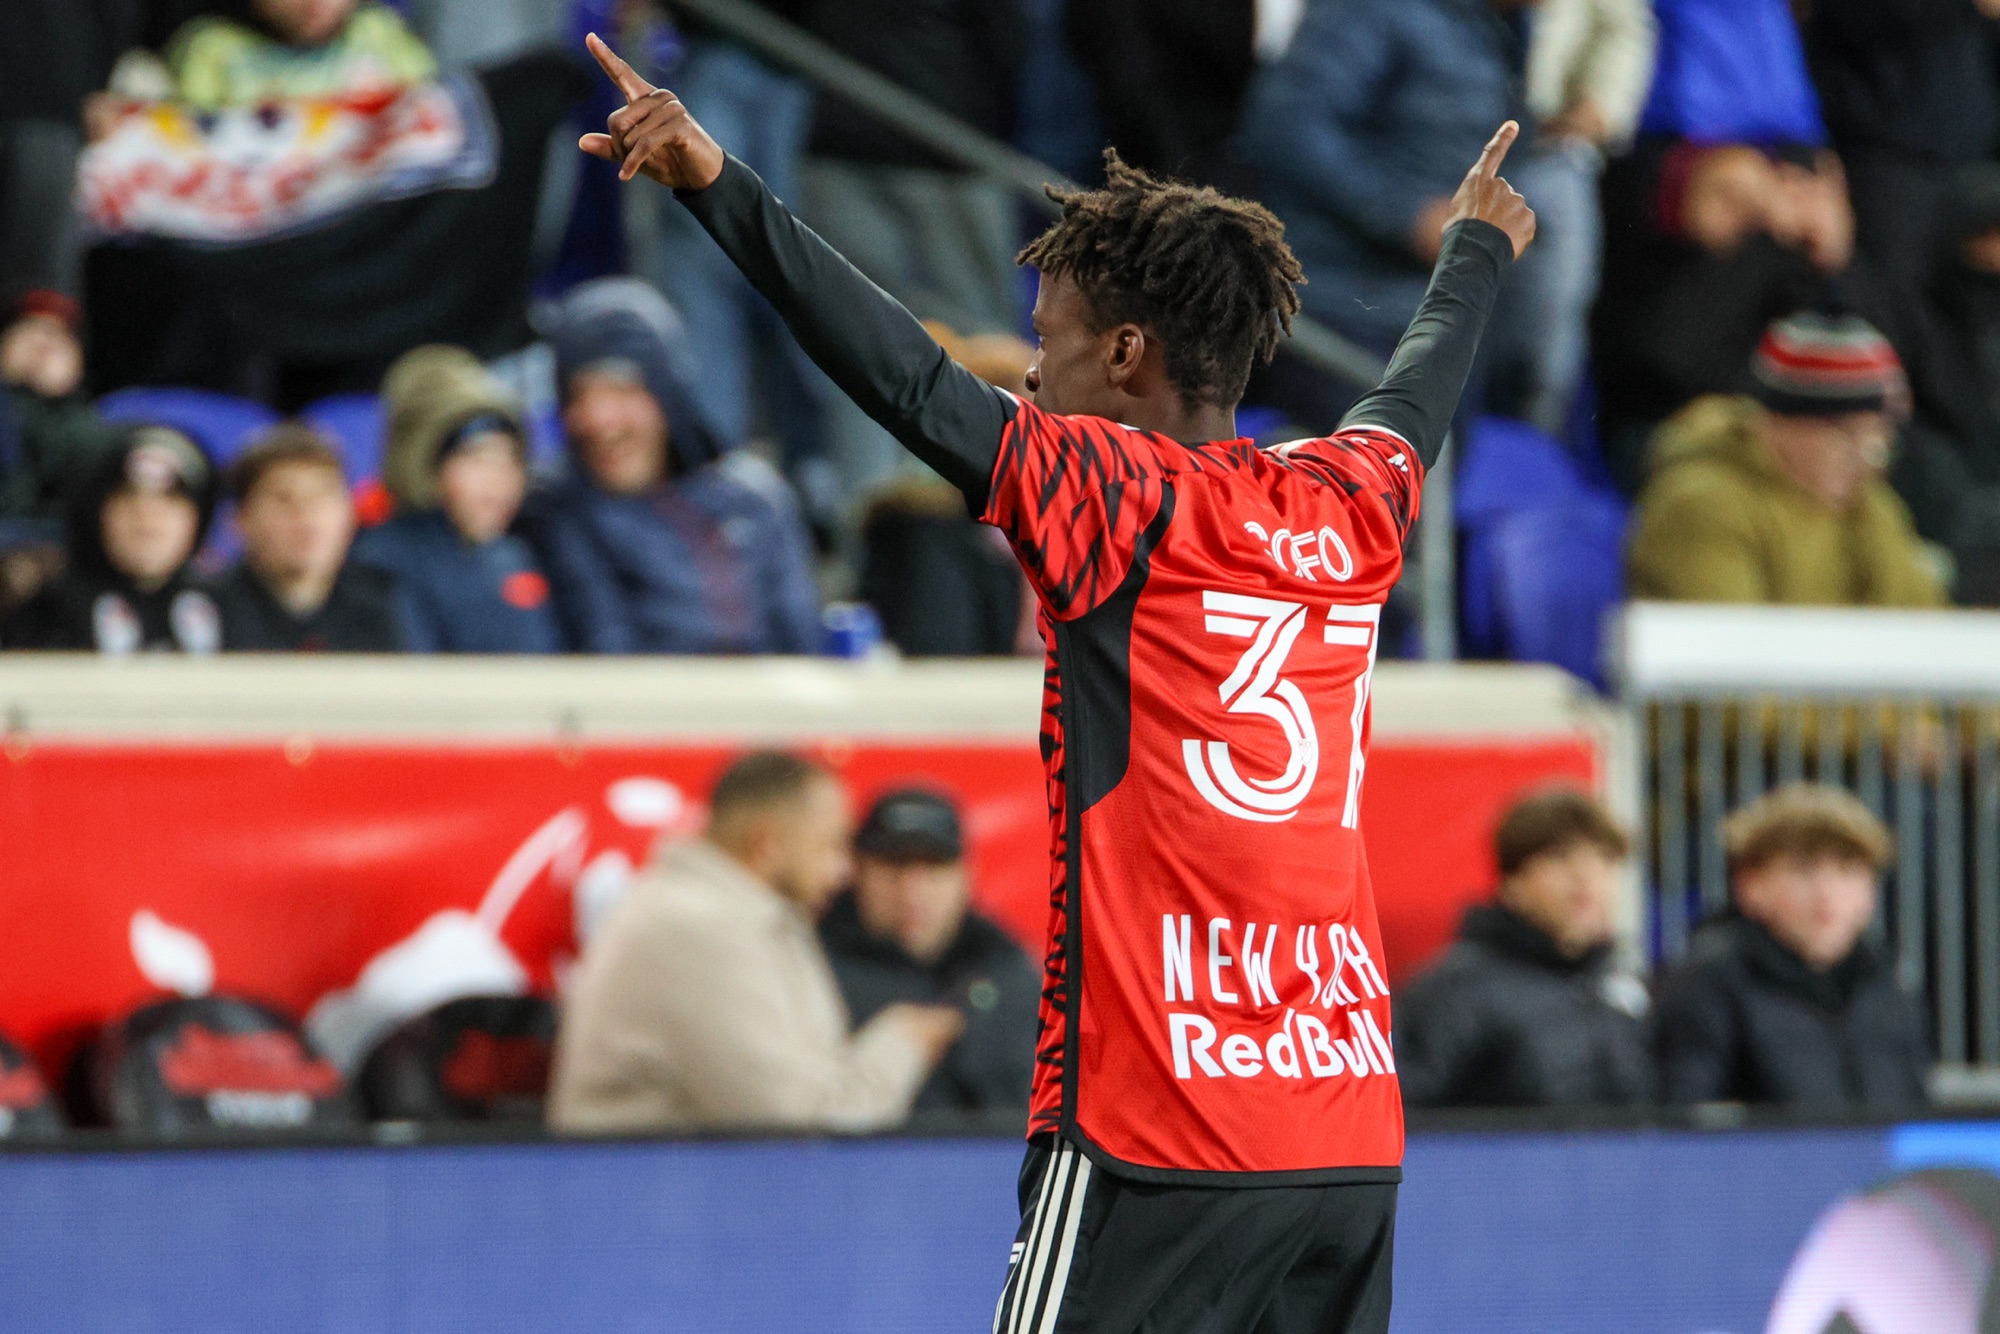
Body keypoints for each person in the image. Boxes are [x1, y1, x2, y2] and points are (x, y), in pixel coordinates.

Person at [580, 32, 1533, 1330]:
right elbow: (1417, 393)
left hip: (1155, 1134)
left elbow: (905, 378)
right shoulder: (1345, 501)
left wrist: (714, 181)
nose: (1032, 372)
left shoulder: (1108, 492)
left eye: (1052, 339)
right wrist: (1475, 251)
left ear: (1129, 354)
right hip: (1342, 1130)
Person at [548, 752, 965, 1133]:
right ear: (766, 842)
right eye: (829, 845)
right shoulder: (698, 930)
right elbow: (803, 1127)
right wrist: (904, 1041)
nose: (842, 872)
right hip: (638, 1204)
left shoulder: (749, 919)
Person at [1235, 0, 1531, 410]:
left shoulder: (1502, 30)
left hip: (1435, 321)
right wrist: (1410, 217)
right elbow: (1286, 127)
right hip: (1336, 316)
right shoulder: (1370, 10)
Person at [523, 278, 822, 656]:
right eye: (578, 395)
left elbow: (803, 642)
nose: (598, 418)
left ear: (667, 390)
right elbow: (606, 652)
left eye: (621, 390)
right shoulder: (558, 510)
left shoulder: (756, 498)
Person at [1626, 313, 1944, 608]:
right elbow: (1728, 652)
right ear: (1776, 424)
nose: (1867, 458)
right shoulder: (1703, 506)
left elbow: (1924, 639)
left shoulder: (1873, 509)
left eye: (1879, 438)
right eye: (1847, 435)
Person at [1653, 784, 1930, 1111]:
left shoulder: (1889, 983)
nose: (1826, 892)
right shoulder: (1708, 982)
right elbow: (1683, 1126)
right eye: (1803, 869)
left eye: (1846, 869)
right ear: (1750, 884)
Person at [1394, 787, 1651, 1109]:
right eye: (1560, 856)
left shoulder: (1622, 985)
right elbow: (1406, 1117)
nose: (1586, 876)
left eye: (1604, 857)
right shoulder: (1453, 992)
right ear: (1512, 881)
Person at [819, 788, 1040, 1111]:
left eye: (934, 868)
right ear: (857, 871)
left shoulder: (1011, 973)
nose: (912, 891)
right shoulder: (810, 966)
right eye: (893, 867)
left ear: (965, 876)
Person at [351, 345, 563, 653]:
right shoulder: (384, 559)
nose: (497, 480)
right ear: (428, 466)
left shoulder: (514, 553)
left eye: (511, 460)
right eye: (476, 458)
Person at [2, 424, 221, 653]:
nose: (147, 514)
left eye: (171, 498)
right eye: (128, 495)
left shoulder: (225, 608)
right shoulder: (47, 613)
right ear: (96, 512)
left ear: (200, 517)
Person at [211, 425, 405, 652]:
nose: (305, 516)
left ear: (349, 512)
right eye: (283, 499)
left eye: (321, 496)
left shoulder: (385, 602)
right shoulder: (209, 611)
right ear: (241, 519)